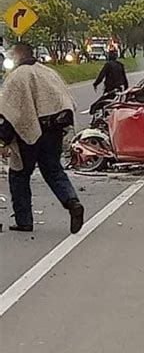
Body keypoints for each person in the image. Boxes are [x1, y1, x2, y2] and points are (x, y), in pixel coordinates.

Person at [0, 43, 84, 233]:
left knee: (19, 175)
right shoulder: (49, 73)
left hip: (28, 133)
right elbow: (66, 101)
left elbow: (11, 112)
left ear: (18, 56)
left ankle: (24, 221)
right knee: (54, 170)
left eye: (12, 54)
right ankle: (72, 203)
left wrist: (4, 139)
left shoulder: (17, 77)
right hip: (53, 132)